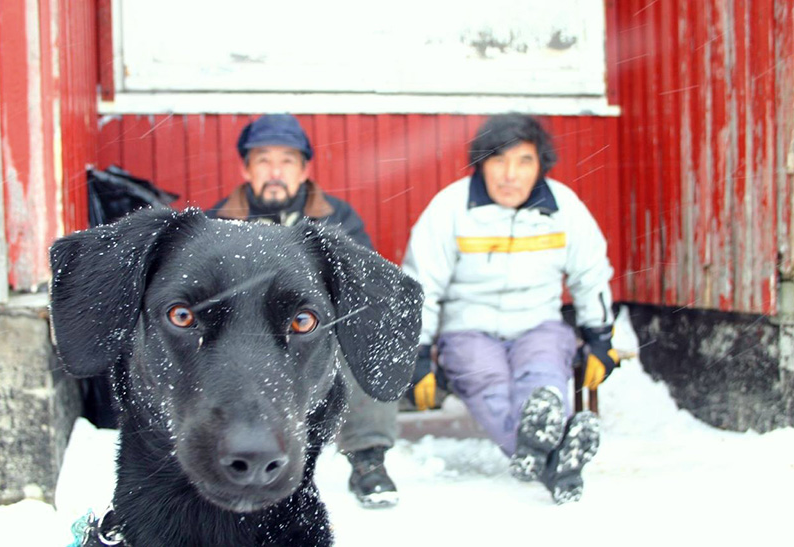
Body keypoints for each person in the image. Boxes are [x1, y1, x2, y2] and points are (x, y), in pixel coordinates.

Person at [402, 113, 619, 504]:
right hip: (468, 329)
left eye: (524, 161)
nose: (509, 175)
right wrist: (417, 352)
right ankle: (556, 464)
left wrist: (600, 337)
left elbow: (590, 274)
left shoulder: (563, 208)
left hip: (539, 325)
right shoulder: (450, 208)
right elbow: (421, 285)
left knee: (543, 378)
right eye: (498, 160)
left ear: (540, 166)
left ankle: (538, 446)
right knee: (491, 386)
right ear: (481, 163)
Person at [208, 114, 400, 508]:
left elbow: (360, 292)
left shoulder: (337, 218)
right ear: (246, 168)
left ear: (304, 170)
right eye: (263, 160)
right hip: (243, 338)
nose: (275, 171)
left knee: (360, 340)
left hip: (312, 332)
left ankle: (368, 458)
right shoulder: (219, 223)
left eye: (287, 161)